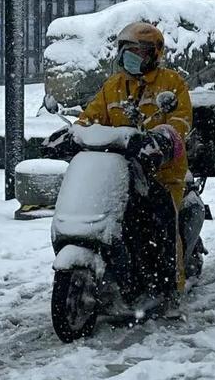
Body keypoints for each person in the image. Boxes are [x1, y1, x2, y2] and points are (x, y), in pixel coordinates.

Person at [76, 21, 193, 301]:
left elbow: (180, 122)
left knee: (164, 221)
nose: (128, 56)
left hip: (162, 174)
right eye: (125, 50)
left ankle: (170, 289)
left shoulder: (172, 83)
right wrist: (74, 133)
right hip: (119, 171)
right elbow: (90, 118)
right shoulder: (113, 86)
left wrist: (162, 140)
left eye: (136, 51)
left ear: (153, 53)